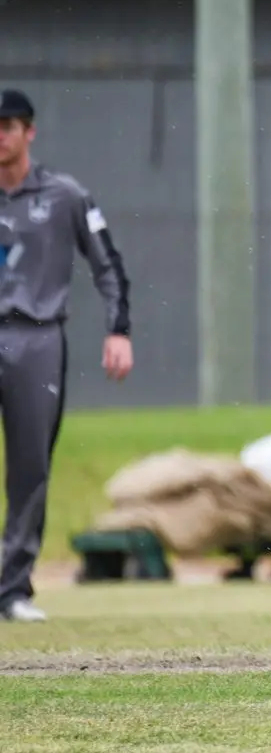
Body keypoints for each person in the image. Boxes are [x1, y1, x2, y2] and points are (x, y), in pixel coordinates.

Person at [0, 88, 134, 623]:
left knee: (30, 467)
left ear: (29, 132)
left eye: (9, 126)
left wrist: (117, 329)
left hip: (36, 337)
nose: (0, 136)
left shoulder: (63, 194)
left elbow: (107, 263)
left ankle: (12, 588)